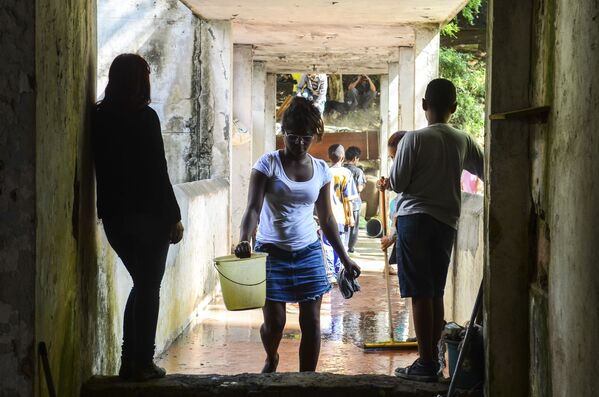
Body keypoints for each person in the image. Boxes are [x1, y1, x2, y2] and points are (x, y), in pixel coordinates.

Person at [234, 97, 361, 373]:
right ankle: (272, 356)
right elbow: (253, 209)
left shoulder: (322, 170)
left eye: (307, 137)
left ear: (315, 136)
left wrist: (345, 258)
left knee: (313, 322)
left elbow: (327, 218)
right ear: (283, 133)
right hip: (271, 252)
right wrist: (245, 239)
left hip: (309, 251)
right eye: (293, 137)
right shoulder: (267, 164)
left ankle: (307, 380)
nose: (300, 143)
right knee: (275, 322)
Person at [92, 53, 184, 381]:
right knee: (149, 287)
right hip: (149, 217)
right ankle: (141, 361)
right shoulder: (145, 118)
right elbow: (157, 172)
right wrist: (173, 216)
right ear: (138, 80)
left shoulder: (98, 117)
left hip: (116, 219)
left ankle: (128, 361)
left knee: (141, 285)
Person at [387, 78, 484, 381]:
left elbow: (398, 183)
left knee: (419, 293)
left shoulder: (413, 139)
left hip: (414, 220)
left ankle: (425, 363)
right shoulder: (463, 140)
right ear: (454, 108)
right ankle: (434, 359)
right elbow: (484, 169)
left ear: (424, 105)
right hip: (446, 222)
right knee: (436, 290)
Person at [321, 144, 359, 282]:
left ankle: (330, 273)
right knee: (340, 244)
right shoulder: (346, 173)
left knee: (327, 245)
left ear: (328, 157)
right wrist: (350, 217)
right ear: (343, 157)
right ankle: (338, 272)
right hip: (341, 217)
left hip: (326, 216)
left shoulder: (325, 172)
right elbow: (348, 199)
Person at [343, 146, 367, 253]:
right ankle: (350, 248)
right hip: (354, 204)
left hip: (341, 204)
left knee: (343, 226)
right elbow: (359, 188)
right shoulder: (358, 171)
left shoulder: (341, 169)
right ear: (355, 158)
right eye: (358, 159)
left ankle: (342, 247)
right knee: (353, 227)